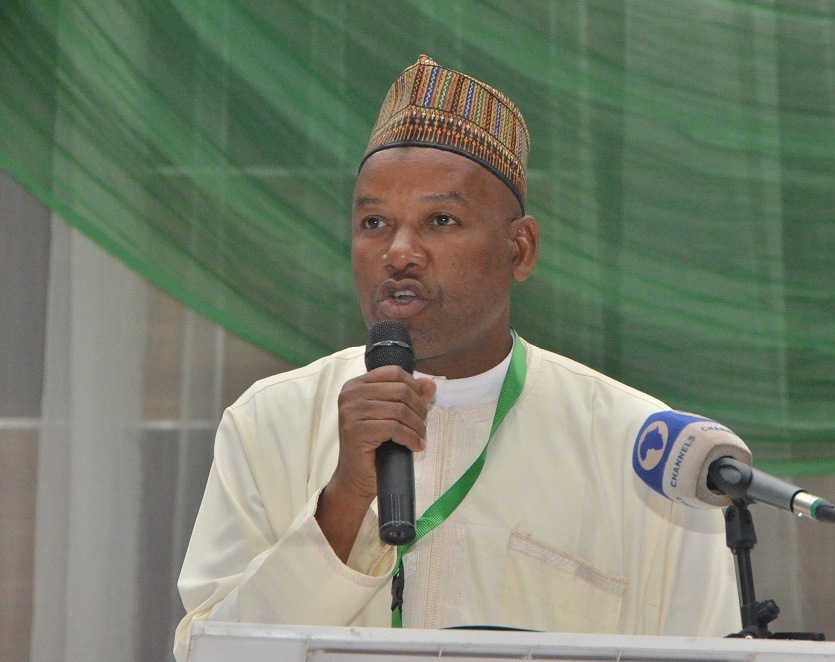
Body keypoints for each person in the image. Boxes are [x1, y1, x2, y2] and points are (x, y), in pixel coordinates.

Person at [174, 55, 740, 660]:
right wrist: (342, 501)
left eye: (440, 221)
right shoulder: (270, 423)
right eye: (374, 222)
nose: (398, 253)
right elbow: (210, 652)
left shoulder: (645, 449)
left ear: (519, 250)